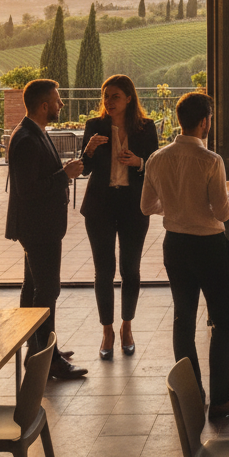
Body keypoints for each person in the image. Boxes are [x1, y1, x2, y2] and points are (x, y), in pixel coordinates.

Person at [140, 92, 229, 418]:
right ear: (205, 122)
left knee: (183, 319)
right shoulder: (211, 161)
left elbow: (147, 206)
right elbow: (222, 212)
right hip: (208, 247)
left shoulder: (156, 158)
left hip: (175, 246)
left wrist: (175, 207)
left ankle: (192, 396)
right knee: (222, 322)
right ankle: (220, 400)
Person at [5, 78, 86, 379]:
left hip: (39, 225)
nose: (61, 104)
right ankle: (49, 360)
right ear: (43, 106)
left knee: (32, 288)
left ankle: (36, 350)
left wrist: (62, 172)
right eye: (57, 100)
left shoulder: (34, 131)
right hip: (38, 227)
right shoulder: (27, 138)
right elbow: (27, 190)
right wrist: (64, 175)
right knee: (48, 290)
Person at [80, 74, 159, 360]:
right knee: (103, 271)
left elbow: (155, 165)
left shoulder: (145, 127)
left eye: (115, 96)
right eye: (105, 96)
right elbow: (85, 169)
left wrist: (138, 162)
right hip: (99, 206)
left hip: (133, 205)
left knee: (131, 269)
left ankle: (127, 326)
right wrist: (88, 150)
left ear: (128, 98)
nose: (108, 102)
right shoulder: (94, 126)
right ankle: (107, 330)